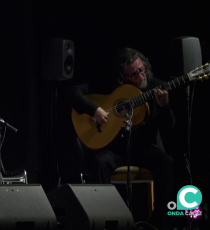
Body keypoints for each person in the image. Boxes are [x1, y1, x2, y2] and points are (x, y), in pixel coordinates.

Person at [68, 48, 175, 229]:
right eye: (134, 74)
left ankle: (158, 224)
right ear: (123, 76)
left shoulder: (156, 86)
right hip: (115, 150)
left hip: (143, 149)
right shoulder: (110, 86)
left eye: (142, 70)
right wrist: (94, 109)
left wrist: (165, 107)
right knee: (99, 163)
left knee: (167, 163)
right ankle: (103, 221)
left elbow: (169, 127)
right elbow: (73, 92)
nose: (141, 76)